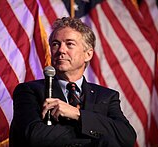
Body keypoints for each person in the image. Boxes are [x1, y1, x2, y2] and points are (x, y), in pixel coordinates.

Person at [9, 17, 137, 147]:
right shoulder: (29, 91)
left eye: (69, 44)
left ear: (88, 54)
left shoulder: (107, 96)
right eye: (55, 44)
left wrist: (78, 114)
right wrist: (97, 135)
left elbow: (127, 136)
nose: (61, 50)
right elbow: (35, 137)